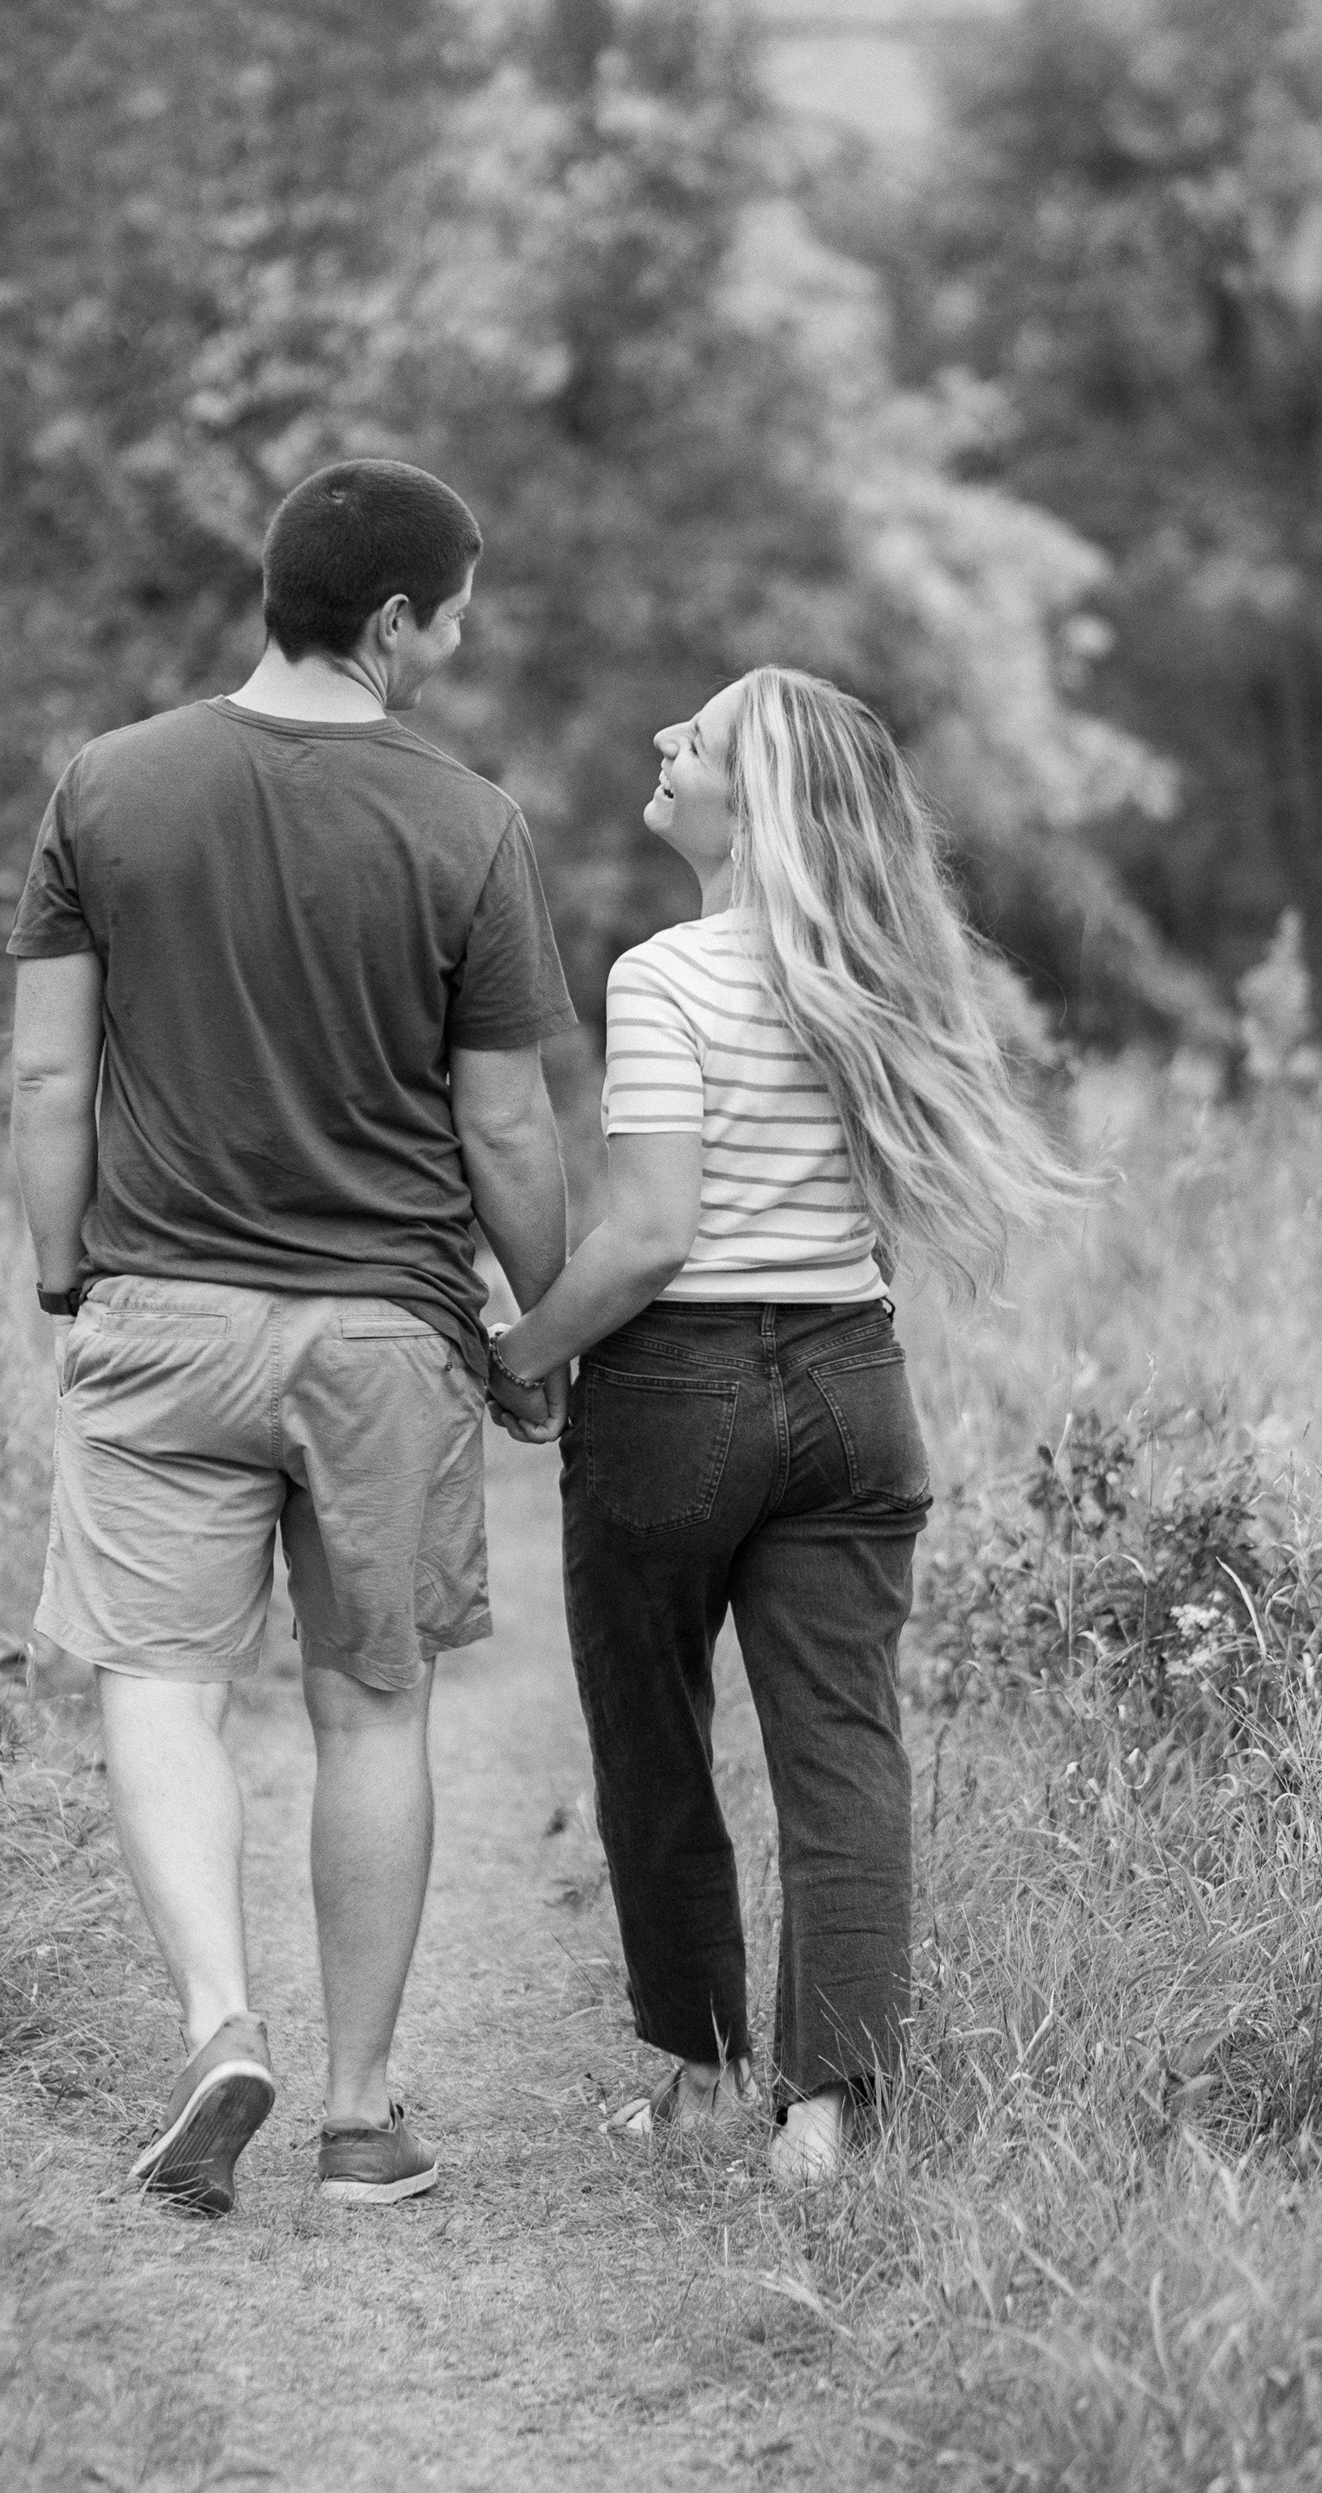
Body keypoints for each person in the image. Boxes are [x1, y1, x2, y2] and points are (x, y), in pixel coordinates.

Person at [7, 458, 573, 2216]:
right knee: (371, 1706)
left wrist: (65, 1273)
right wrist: (546, 1325)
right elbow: (505, 1128)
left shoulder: (109, 786)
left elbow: (46, 1074)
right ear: (392, 620)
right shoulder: (468, 825)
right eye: (453, 616)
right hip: (384, 1340)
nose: (457, 646)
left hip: (162, 1314)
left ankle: (217, 2025)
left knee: (158, 1684)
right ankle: (358, 2116)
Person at [489, 666, 1082, 2189]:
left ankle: (704, 2072)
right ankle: (829, 2114)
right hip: (851, 1387)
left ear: (748, 805)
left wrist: (521, 1351)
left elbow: (650, 1238)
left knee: (652, 1728)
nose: (665, 742)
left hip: (674, 1396)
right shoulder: (883, 976)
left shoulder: (665, 976)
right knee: (842, 1744)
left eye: (695, 739)